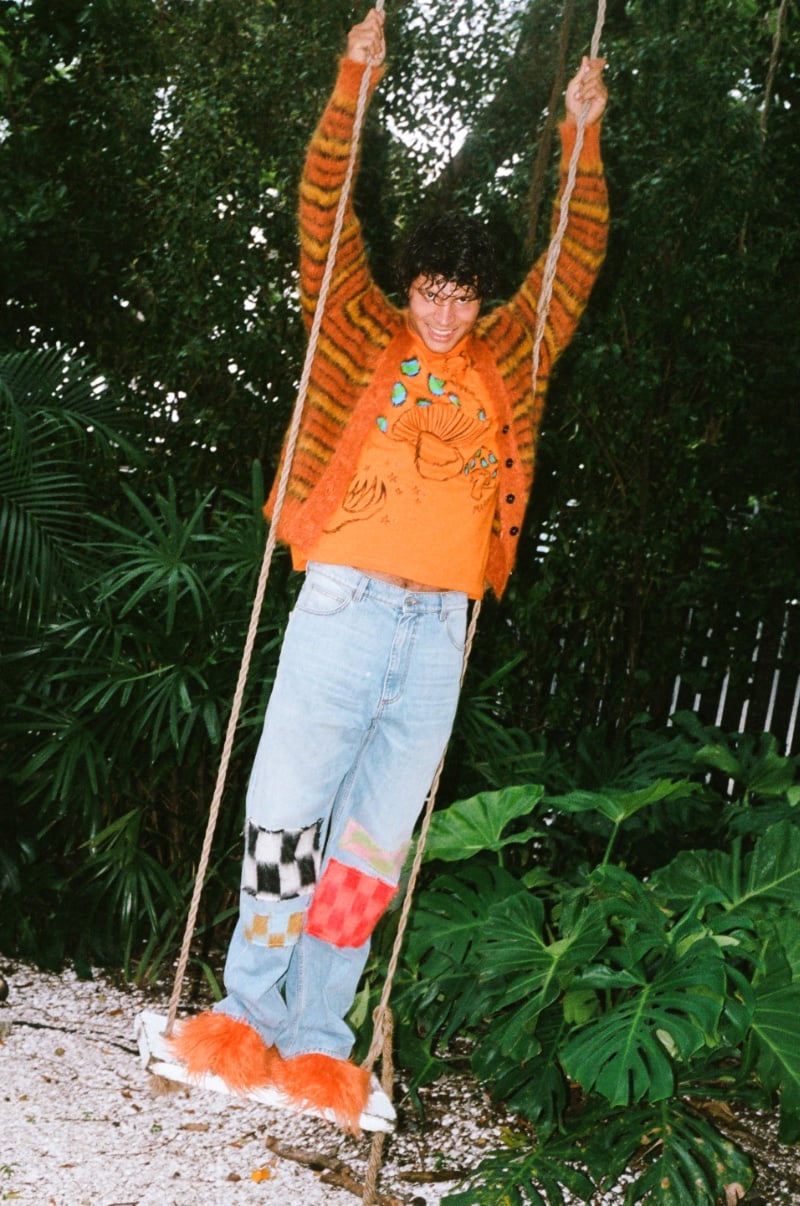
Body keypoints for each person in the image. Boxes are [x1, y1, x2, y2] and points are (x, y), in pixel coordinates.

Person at [171, 7, 609, 1133]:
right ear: (408, 283)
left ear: (483, 296)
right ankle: (241, 1017)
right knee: (283, 821)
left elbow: (574, 260)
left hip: (440, 631)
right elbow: (322, 218)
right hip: (345, 605)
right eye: (430, 288)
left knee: (370, 845)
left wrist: (581, 138)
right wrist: (350, 82)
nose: (445, 312)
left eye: (464, 294)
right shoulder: (360, 331)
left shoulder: (511, 353)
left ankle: (320, 1044)